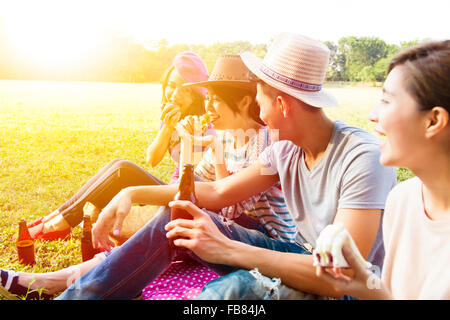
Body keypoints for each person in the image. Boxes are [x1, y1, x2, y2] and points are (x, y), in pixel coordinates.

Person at [50, 32, 396, 300]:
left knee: (228, 294)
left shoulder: (360, 155)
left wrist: (229, 248)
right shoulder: (285, 149)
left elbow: (343, 274)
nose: (255, 104)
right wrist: (131, 191)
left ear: (281, 103)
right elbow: (217, 191)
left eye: (257, 93)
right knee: (179, 217)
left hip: (345, 285)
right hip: (299, 253)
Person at [0, 54, 297, 299]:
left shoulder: (265, 142)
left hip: (264, 239)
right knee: (166, 226)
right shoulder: (225, 138)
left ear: (244, 102)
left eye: (215, 100)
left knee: (177, 216)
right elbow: (194, 186)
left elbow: (225, 198)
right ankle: (54, 282)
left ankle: (69, 289)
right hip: (228, 230)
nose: (209, 107)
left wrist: (134, 193)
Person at [22, 51, 211, 241]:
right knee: (118, 164)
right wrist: (168, 128)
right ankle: (52, 220)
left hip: (187, 198)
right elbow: (152, 159)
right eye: (172, 86)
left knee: (123, 170)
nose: (175, 94)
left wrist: (191, 135)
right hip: (169, 191)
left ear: (196, 95)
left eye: (185, 90)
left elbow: (200, 180)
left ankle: (55, 225)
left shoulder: (204, 125)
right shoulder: (172, 118)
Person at [315, 40, 450, 300]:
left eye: (386, 101)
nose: (372, 115)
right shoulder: (402, 200)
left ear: (433, 121)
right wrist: (364, 284)